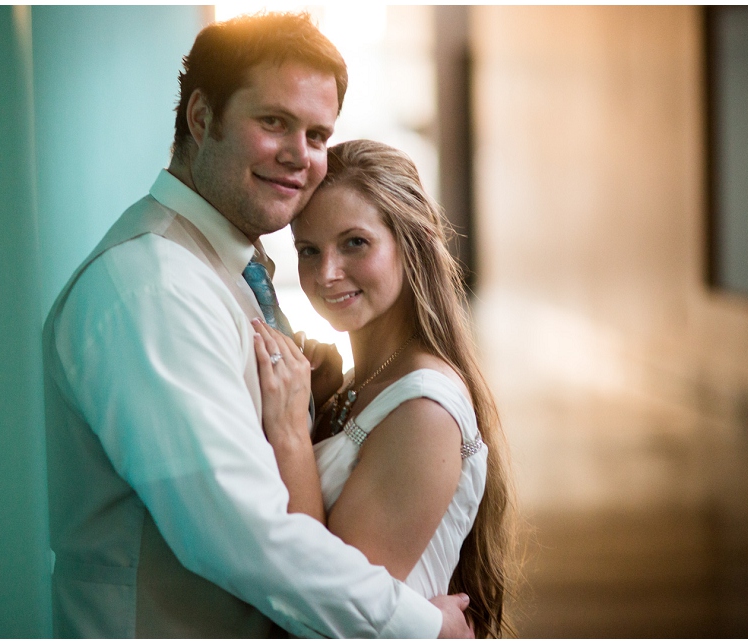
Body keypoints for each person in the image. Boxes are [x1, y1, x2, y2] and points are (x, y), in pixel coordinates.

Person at [43, 12, 473, 638]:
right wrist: (418, 628)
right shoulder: (154, 285)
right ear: (201, 118)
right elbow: (245, 533)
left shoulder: (225, 268)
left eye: (318, 134)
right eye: (273, 121)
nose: (299, 155)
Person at [254, 139, 517, 638]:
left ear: (410, 241)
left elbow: (331, 603)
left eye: (355, 242)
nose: (327, 273)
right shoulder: (364, 380)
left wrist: (289, 431)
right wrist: (320, 403)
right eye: (309, 250)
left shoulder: (423, 409)